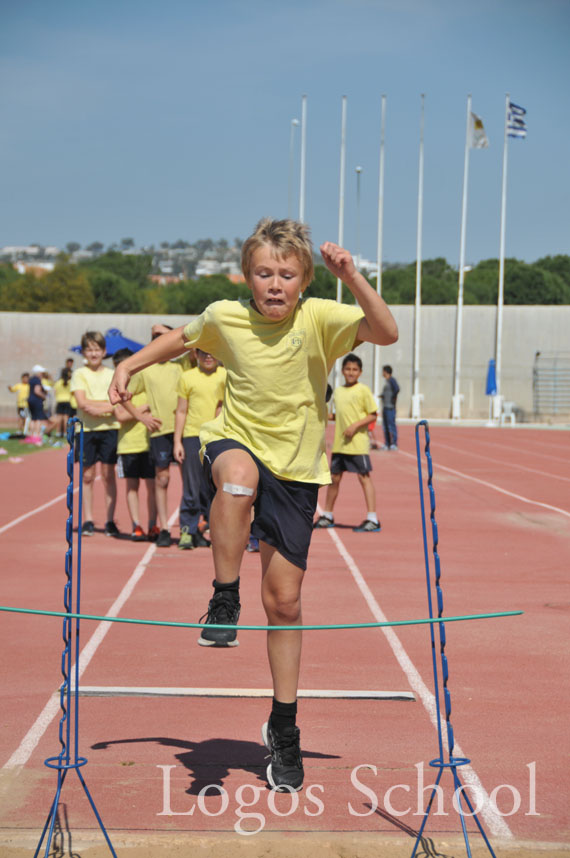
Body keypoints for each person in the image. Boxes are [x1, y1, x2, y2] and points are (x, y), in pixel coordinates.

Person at [108, 218, 398, 793]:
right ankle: (223, 594)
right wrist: (130, 363)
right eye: (263, 273)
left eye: (286, 275)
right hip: (234, 441)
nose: (273, 284)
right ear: (247, 275)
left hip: (298, 471)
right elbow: (182, 339)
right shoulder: (225, 316)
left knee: (286, 602)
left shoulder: (320, 318)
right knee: (236, 481)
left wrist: (353, 277)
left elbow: (385, 331)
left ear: (304, 280)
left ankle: (283, 727)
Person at [122, 325, 182, 547]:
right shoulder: (146, 370)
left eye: (164, 335)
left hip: (184, 430)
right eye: (155, 337)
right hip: (160, 431)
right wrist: (141, 417)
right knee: (162, 479)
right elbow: (123, 395)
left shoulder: (181, 366)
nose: (159, 339)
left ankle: (190, 526)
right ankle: (164, 527)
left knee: (193, 481)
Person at [313, 353, 380, 532]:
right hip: (340, 444)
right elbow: (336, 415)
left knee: (364, 477)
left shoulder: (363, 390)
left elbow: (373, 414)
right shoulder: (339, 391)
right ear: (342, 371)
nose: (351, 372)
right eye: (348, 369)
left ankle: (372, 518)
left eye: (355, 370)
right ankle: (327, 514)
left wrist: (354, 426)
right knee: (334, 478)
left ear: (360, 372)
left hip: (357, 444)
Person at [173, 349, 226, 549]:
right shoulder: (187, 377)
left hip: (216, 438)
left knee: (213, 488)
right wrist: (177, 441)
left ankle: (212, 531)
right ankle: (187, 530)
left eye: (211, 351)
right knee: (191, 487)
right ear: (195, 354)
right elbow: (181, 410)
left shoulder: (225, 375)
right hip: (192, 436)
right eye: (203, 352)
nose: (208, 356)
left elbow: (223, 405)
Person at [71, 332, 120, 537]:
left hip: (110, 429)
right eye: (89, 349)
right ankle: (88, 519)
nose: (93, 353)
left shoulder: (111, 374)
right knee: (88, 475)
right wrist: (106, 407)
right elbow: (82, 403)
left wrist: (100, 407)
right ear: (83, 352)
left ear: (104, 351)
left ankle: (109, 520)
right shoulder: (79, 374)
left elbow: (117, 402)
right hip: (86, 429)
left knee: (109, 475)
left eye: (97, 349)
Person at [112, 349, 158, 541]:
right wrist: (142, 409)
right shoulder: (120, 395)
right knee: (132, 487)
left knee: (152, 487)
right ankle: (136, 525)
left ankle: (152, 524)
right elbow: (121, 416)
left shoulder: (148, 389)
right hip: (128, 446)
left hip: (148, 444)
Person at [380, 364, 400, 450]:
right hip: (385, 406)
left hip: (390, 407)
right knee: (385, 426)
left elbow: (397, 389)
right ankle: (387, 443)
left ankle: (394, 443)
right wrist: (382, 396)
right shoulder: (387, 381)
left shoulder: (392, 380)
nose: (382, 373)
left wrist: (393, 399)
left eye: (383, 371)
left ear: (386, 372)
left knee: (391, 425)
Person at [27, 365, 49, 436]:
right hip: (36, 401)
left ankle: (31, 435)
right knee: (38, 419)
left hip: (30, 400)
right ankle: (36, 435)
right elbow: (37, 391)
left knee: (33, 418)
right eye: (41, 372)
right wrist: (44, 396)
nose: (42, 374)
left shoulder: (31, 379)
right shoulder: (37, 380)